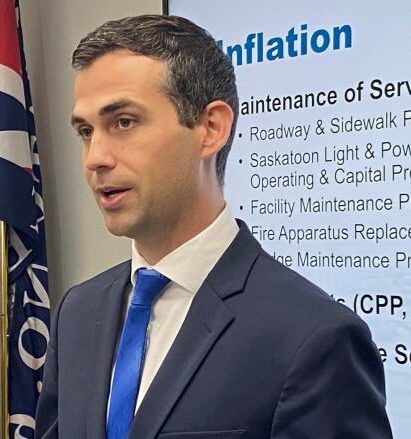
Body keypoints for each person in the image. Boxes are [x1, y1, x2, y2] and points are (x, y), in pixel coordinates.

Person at [34, 14, 392, 439]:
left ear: (211, 129)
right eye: (86, 131)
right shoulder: (77, 313)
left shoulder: (313, 338)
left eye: (124, 122)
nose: (95, 157)